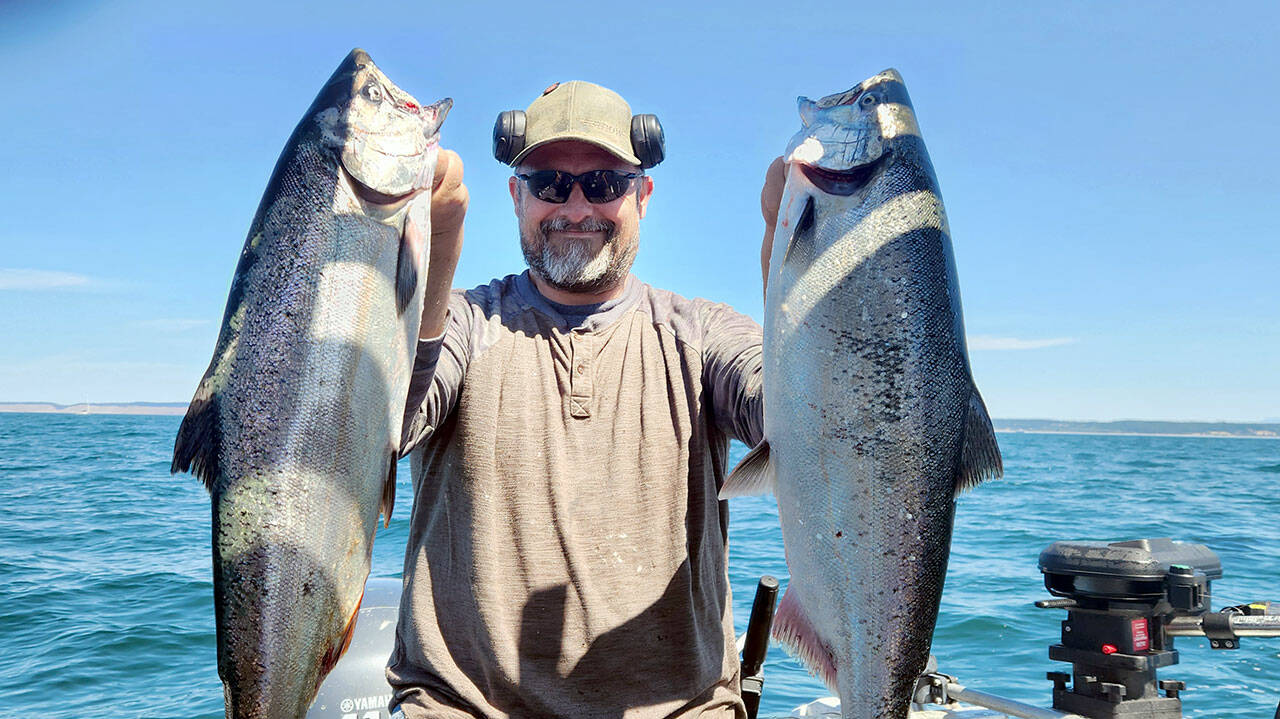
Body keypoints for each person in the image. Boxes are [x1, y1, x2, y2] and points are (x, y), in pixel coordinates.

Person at [389, 80, 787, 719]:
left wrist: (794, 252)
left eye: (603, 184)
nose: (576, 208)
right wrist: (433, 245)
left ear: (643, 196)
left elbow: (812, 429)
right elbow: (390, 423)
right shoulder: (462, 323)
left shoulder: (704, 333)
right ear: (517, 197)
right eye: (550, 184)